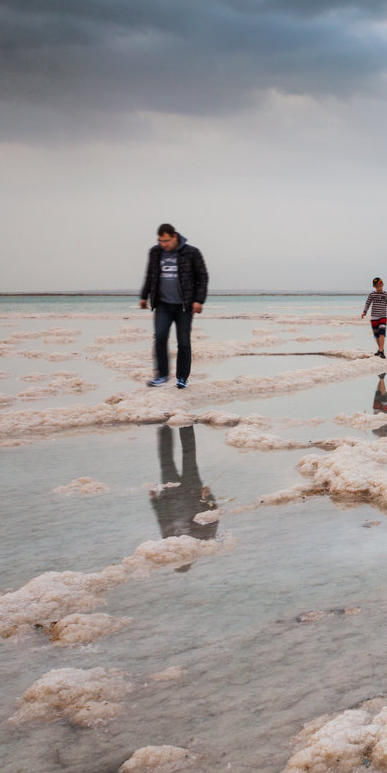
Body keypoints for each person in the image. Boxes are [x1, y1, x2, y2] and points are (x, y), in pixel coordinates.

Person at [139, 223, 208, 389]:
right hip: (163, 305)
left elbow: (203, 277)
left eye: (167, 241)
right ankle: (162, 375)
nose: (164, 244)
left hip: (184, 306)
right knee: (160, 338)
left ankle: (182, 377)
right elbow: (150, 275)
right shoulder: (155, 252)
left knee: (183, 342)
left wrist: (199, 300)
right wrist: (143, 296)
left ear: (175, 237)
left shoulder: (191, 252)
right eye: (161, 241)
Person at [150, 424, 219, 571]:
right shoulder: (204, 542)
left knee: (167, 461)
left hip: (171, 497)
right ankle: (185, 426)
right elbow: (213, 518)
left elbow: (162, 520)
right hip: (192, 493)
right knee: (188, 458)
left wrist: (155, 501)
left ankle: (165, 427)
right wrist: (209, 497)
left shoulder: (170, 543)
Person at [360, 277, 387, 358]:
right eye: (377, 286)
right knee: (376, 335)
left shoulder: (386, 295)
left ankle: (381, 351)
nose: (379, 288)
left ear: (383, 285)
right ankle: (380, 349)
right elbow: (367, 303)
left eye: (380, 286)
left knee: (382, 333)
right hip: (374, 317)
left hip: (383, 317)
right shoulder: (372, 294)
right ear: (374, 287)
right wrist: (364, 312)